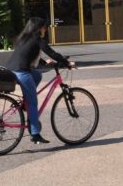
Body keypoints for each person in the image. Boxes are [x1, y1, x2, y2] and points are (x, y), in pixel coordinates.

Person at [6, 17, 74, 145]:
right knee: (33, 102)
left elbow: (26, 56)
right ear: (39, 28)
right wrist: (67, 63)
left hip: (12, 70)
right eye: (44, 27)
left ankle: (26, 103)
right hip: (22, 72)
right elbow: (51, 52)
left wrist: (43, 62)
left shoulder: (24, 39)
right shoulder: (37, 39)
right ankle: (35, 134)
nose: (46, 29)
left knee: (37, 76)